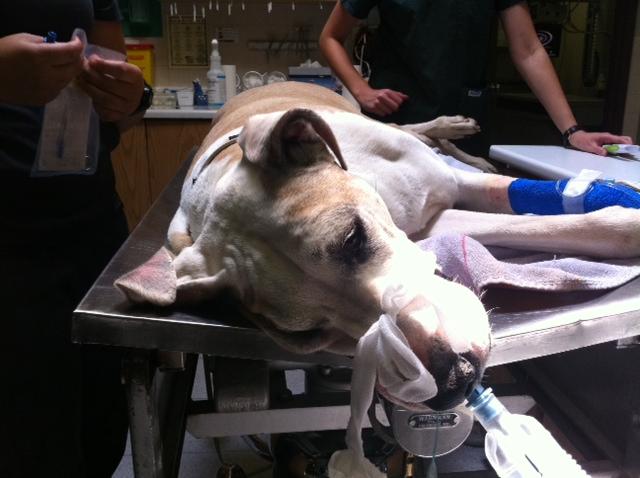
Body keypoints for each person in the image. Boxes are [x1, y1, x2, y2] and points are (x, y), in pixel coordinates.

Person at [0, 2, 149, 476]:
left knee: (102, 431)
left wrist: (131, 99)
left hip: (92, 230)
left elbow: (116, 105)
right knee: (31, 443)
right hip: (11, 248)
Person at [319, 0, 632, 157]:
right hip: (399, 127)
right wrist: (361, 90)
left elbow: (528, 50)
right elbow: (331, 37)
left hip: (465, 128)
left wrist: (572, 131)